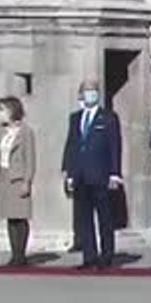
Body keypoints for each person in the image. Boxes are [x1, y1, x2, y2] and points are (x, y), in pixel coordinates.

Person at [61, 79, 123, 270]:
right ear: (81, 95)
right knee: (84, 219)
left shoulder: (108, 118)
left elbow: (115, 147)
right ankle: (89, 256)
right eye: (87, 91)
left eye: (94, 91)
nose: (91, 94)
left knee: (105, 218)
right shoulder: (75, 118)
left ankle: (106, 256)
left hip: (101, 175)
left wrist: (115, 173)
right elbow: (71, 145)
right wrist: (69, 173)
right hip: (80, 175)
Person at [0, 96, 36, 266]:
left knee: (20, 217)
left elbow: (30, 159)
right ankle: (14, 254)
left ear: (11, 111)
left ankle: (21, 255)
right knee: (10, 217)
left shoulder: (26, 132)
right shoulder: (0, 132)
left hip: (18, 178)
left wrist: (27, 181)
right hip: (4, 176)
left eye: (1, 110)